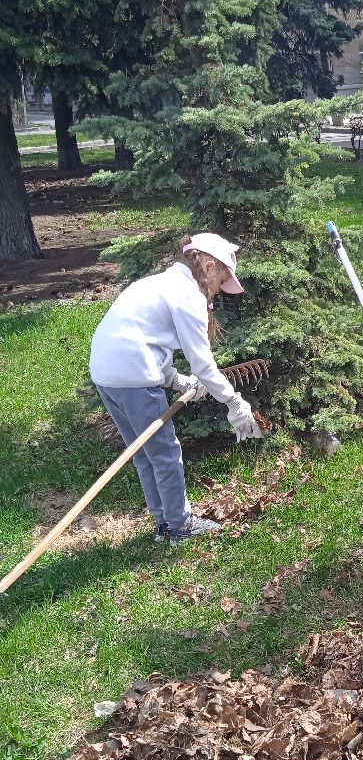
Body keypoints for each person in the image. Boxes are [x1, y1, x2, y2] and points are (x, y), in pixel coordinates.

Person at [89, 233, 263, 545]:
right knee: (166, 455)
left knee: (143, 454)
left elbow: (143, 337)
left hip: (106, 374)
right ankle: (180, 526)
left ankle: (164, 523)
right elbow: (204, 365)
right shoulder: (187, 296)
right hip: (134, 377)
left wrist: (174, 380)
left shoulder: (155, 284)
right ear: (209, 266)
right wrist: (235, 403)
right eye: (221, 280)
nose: (219, 292)